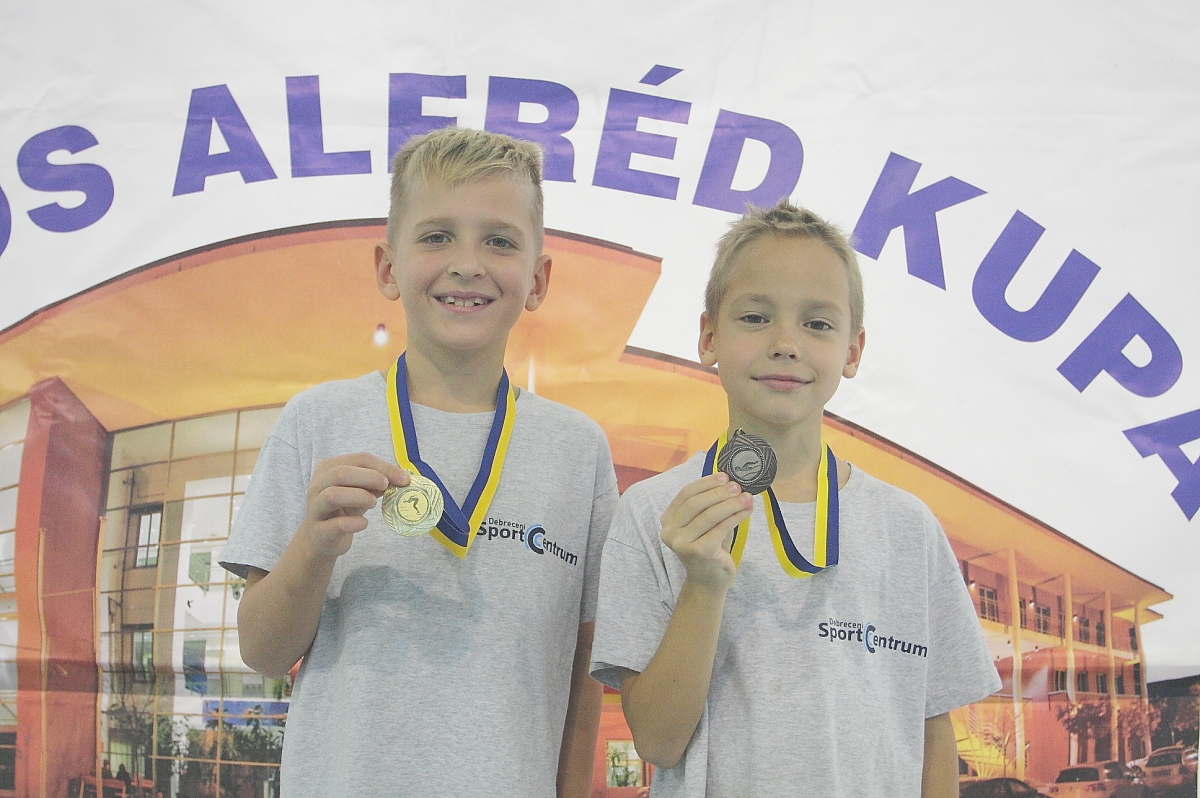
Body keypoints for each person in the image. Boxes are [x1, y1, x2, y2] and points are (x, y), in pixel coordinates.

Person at [220, 127, 617, 797]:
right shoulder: (317, 421)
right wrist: (314, 548)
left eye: (500, 241)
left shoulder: (578, 450)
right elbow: (262, 652)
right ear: (387, 268)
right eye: (436, 236)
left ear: (538, 278)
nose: (467, 264)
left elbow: (583, 677)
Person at [589, 199, 1000, 797]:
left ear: (853, 350)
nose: (786, 343)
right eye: (756, 317)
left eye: (818, 324)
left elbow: (932, 734)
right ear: (708, 336)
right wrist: (703, 586)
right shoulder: (655, 513)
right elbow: (656, 742)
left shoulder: (907, 528)